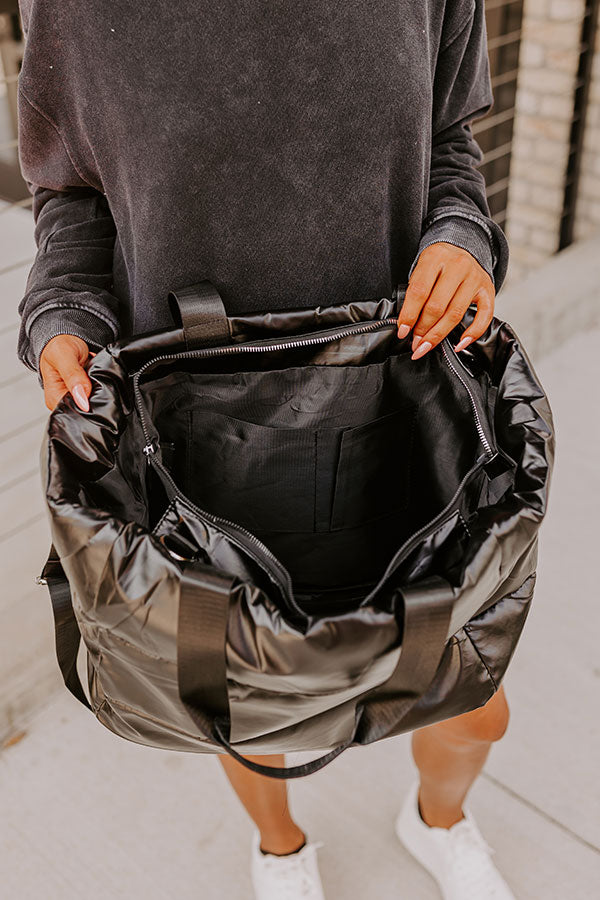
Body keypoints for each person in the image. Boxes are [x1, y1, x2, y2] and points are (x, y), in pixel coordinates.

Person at [16, 1, 516, 897]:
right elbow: (74, 197)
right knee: (244, 703)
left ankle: (439, 819)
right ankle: (280, 849)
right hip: (201, 440)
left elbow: (449, 143)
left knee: (474, 708)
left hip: (395, 401)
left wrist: (462, 236)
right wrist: (62, 316)